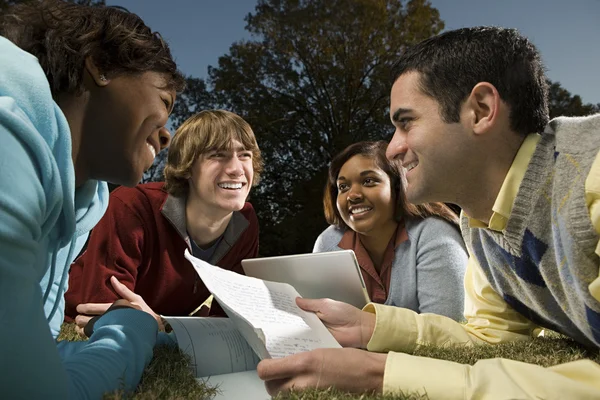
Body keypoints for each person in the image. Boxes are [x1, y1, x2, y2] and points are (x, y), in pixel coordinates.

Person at [257, 26, 600, 398]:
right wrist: (370, 327)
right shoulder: (480, 221)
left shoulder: (591, 172)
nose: (391, 150)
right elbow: (489, 337)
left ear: (481, 110)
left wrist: (380, 375)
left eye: (406, 123)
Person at [0, 1, 185, 398]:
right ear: (101, 64)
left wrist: (157, 336)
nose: (168, 135)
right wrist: (130, 329)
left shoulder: (82, 197)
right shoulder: (6, 140)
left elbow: (37, 348)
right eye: (164, 102)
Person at [64, 109, 263, 334]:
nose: (236, 169)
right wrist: (169, 327)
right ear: (187, 167)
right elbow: (107, 314)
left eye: (244, 154)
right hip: (68, 311)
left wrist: (166, 326)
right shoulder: (132, 205)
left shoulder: (245, 221)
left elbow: (228, 320)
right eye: (217, 155)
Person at [314, 141, 466, 320]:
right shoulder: (328, 242)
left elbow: (447, 334)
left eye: (368, 181)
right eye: (343, 187)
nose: (352, 195)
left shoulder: (435, 236)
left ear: (397, 187)